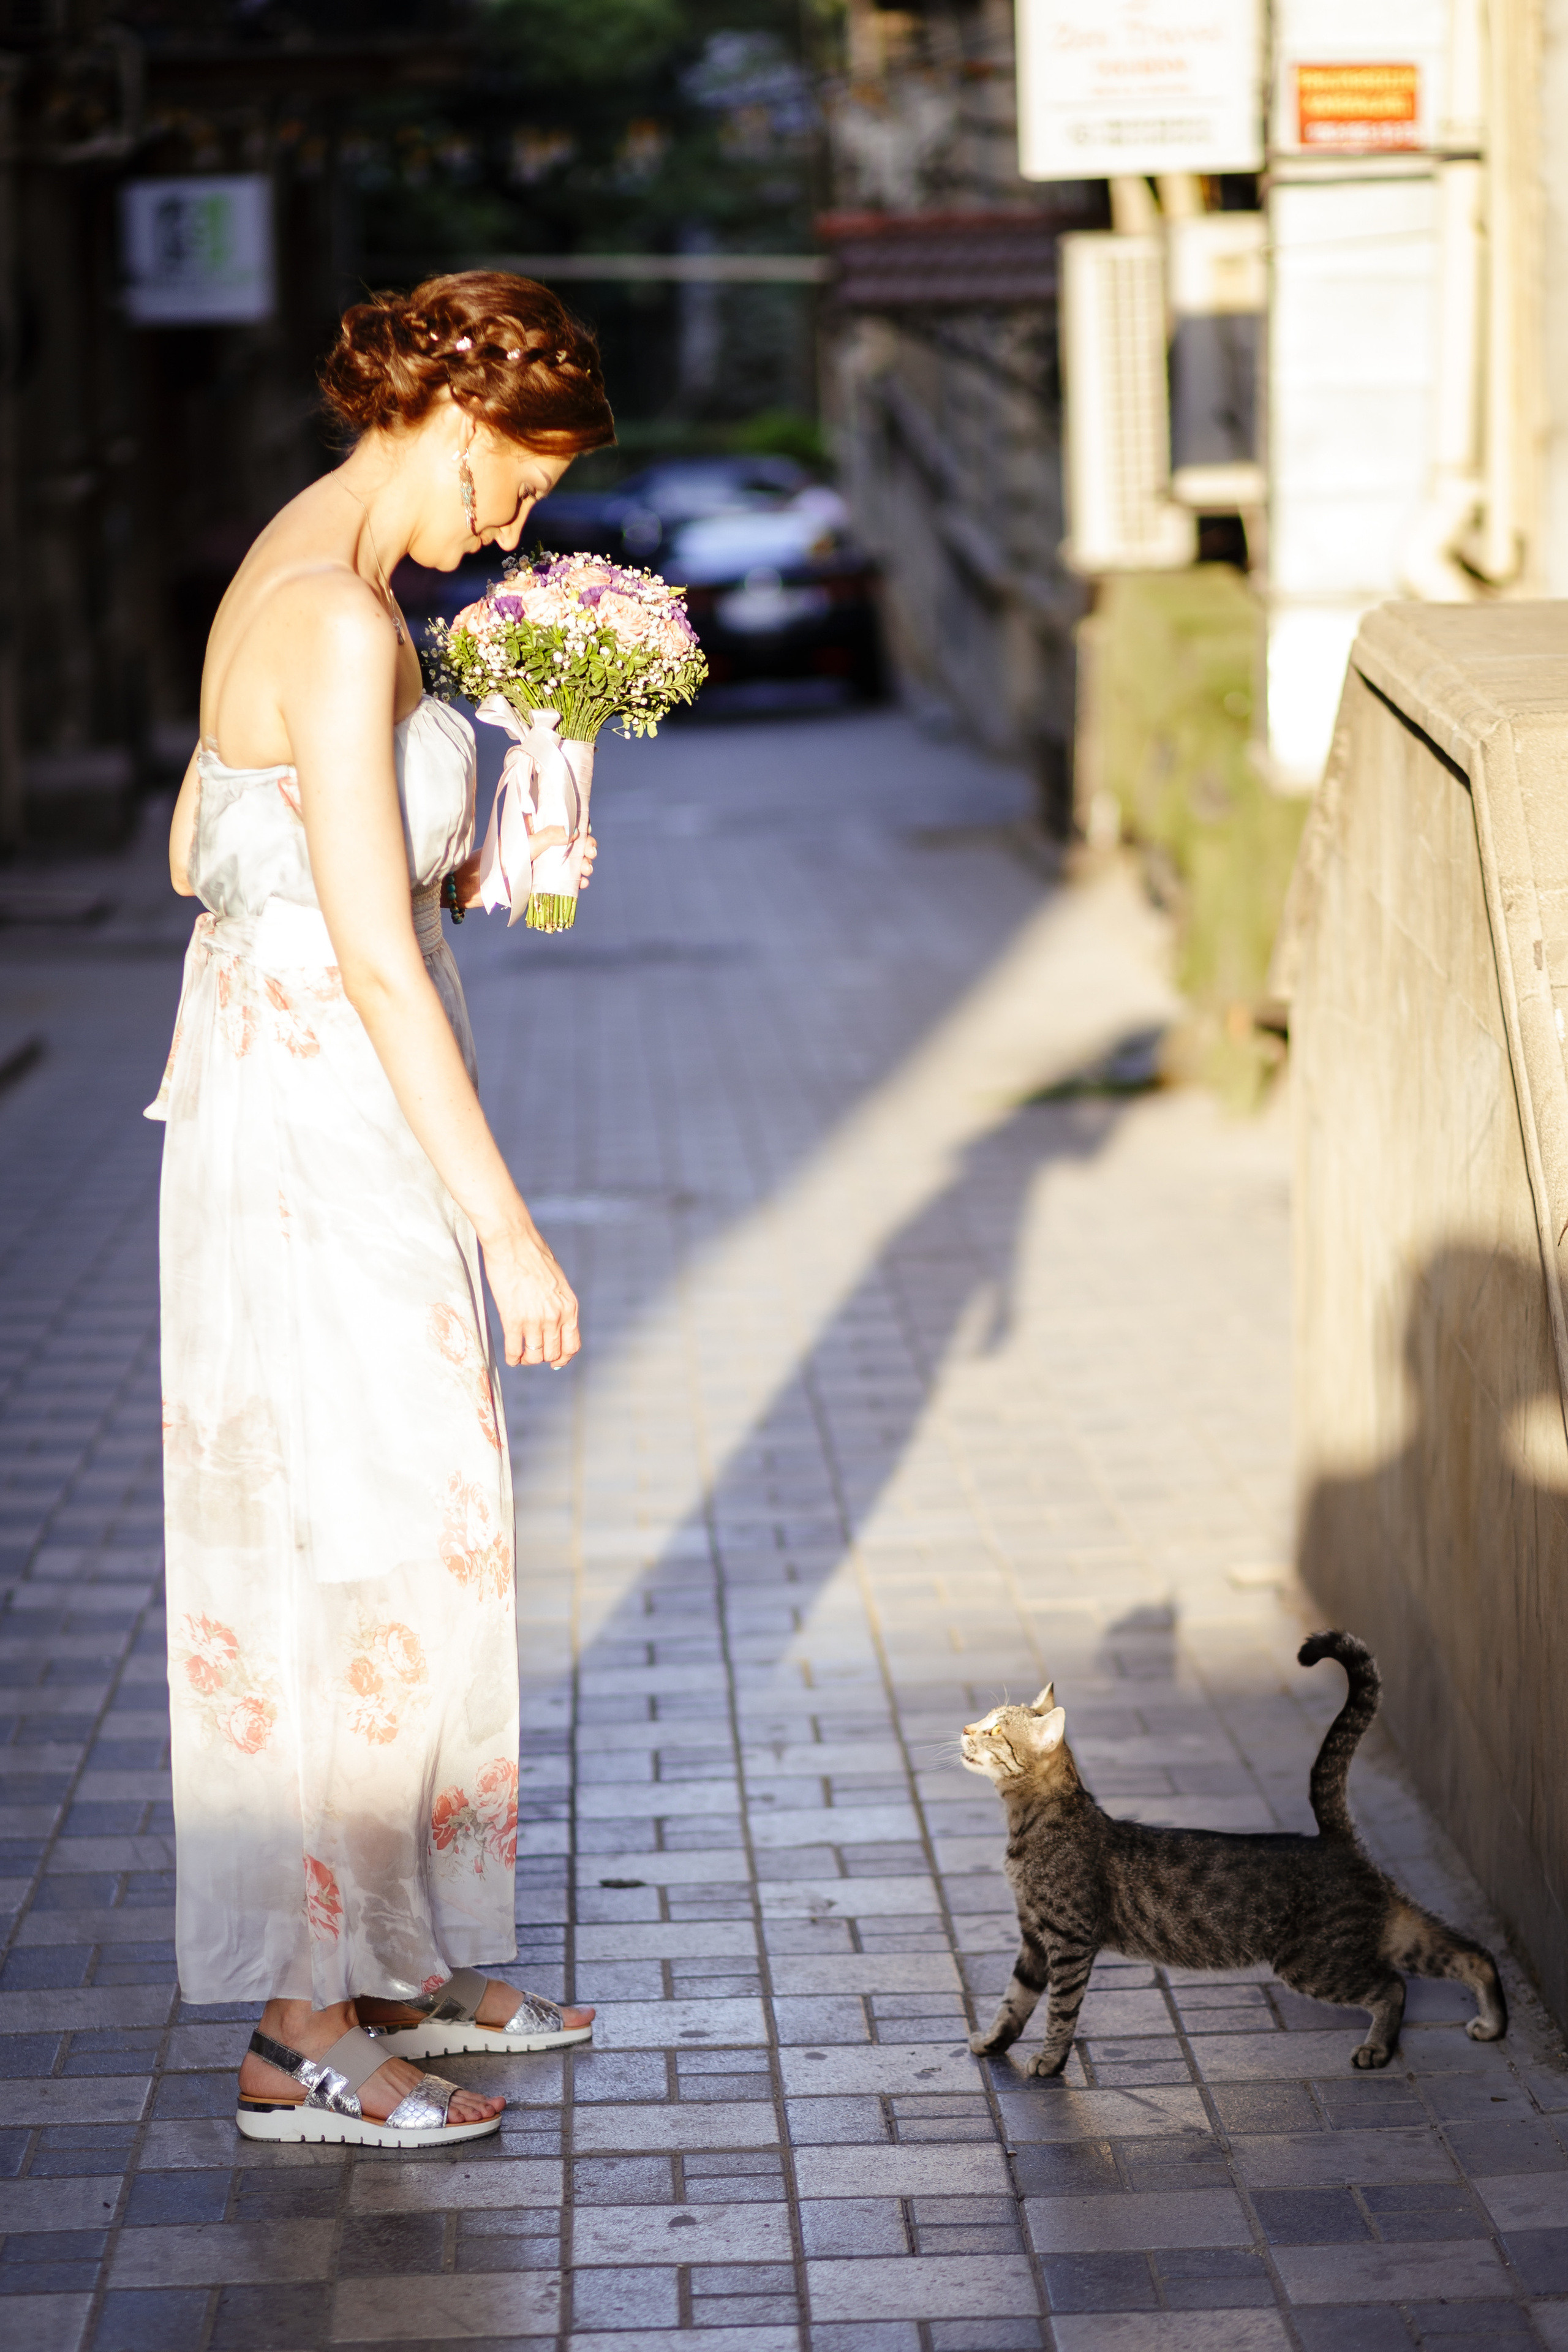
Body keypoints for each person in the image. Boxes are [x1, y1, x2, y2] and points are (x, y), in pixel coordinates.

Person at [148, 273, 612, 2147]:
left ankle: (401, 1960)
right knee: (370, 1549)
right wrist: (506, 1221)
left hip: (282, 1103)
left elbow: (202, 849)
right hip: (332, 1133)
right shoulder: (342, 623)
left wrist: (488, 814)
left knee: (395, 1533)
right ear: (448, 420)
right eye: (514, 483)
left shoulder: (293, 558)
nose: (519, 525)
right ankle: (300, 2033)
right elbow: (376, 965)